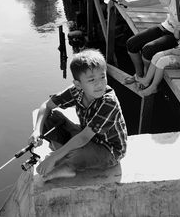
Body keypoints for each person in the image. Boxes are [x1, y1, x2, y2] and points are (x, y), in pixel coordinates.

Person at [29, 49, 127, 181]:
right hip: (88, 137)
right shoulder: (76, 92)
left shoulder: (108, 102)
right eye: (91, 80)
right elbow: (47, 105)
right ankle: (63, 156)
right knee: (50, 118)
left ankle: (68, 166)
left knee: (76, 154)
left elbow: (83, 138)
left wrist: (55, 156)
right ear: (78, 84)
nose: (99, 84)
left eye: (102, 77)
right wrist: (36, 131)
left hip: (108, 150)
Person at [135, 0, 180, 96]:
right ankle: (146, 80)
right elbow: (178, 38)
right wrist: (177, 30)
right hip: (179, 51)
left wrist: (175, 52)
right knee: (157, 55)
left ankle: (153, 87)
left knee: (162, 61)